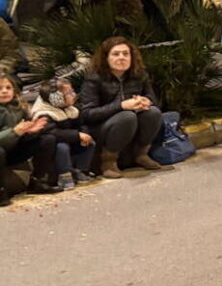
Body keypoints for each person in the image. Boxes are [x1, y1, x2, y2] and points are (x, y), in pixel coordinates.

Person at [78, 38, 163, 178]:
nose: (122, 58)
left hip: (130, 123)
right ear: (106, 58)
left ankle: (141, 154)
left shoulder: (139, 74)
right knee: (127, 116)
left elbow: (154, 100)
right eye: (116, 54)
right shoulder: (94, 79)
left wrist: (146, 101)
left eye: (126, 54)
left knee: (153, 113)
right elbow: (88, 114)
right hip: (102, 127)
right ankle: (108, 162)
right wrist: (121, 105)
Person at [0, 73, 61, 203]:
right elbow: (13, 134)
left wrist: (31, 132)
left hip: (13, 148)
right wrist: (14, 132)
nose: (4, 91)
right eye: (0, 88)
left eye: (8, 88)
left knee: (47, 139)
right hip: (2, 151)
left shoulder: (19, 107)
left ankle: (37, 181)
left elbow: (24, 132)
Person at [31, 78, 96, 190]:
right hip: (57, 145)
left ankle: (80, 171)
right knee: (62, 147)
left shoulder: (71, 110)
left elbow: (81, 124)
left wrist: (83, 133)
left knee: (90, 143)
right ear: (57, 98)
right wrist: (76, 135)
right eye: (69, 93)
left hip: (71, 140)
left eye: (72, 91)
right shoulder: (44, 114)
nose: (74, 94)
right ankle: (64, 175)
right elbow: (53, 132)